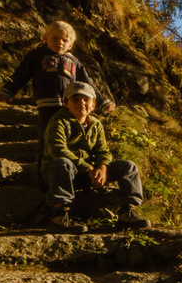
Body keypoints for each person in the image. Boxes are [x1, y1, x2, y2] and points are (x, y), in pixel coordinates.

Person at [41, 83, 149, 233]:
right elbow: (58, 150)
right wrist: (88, 168)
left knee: (128, 166)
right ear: (65, 103)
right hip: (62, 174)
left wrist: (102, 168)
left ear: (93, 105)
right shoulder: (58, 122)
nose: (81, 103)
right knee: (62, 163)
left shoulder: (95, 124)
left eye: (86, 100)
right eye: (75, 99)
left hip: (90, 174)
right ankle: (59, 216)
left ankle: (127, 212)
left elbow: (103, 151)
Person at [0, 20, 114, 130]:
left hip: (70, 104)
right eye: (55, 38)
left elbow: (86, 83)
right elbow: (21, 75)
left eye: (65, 40)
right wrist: (6, 92)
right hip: (46, 103)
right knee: (46, 130)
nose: (60, 43)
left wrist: (102, 101)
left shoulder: (74, 61)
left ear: (70, 45)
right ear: (45, 38)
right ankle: (42, 153)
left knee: (67, 130)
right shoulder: (37, 55)